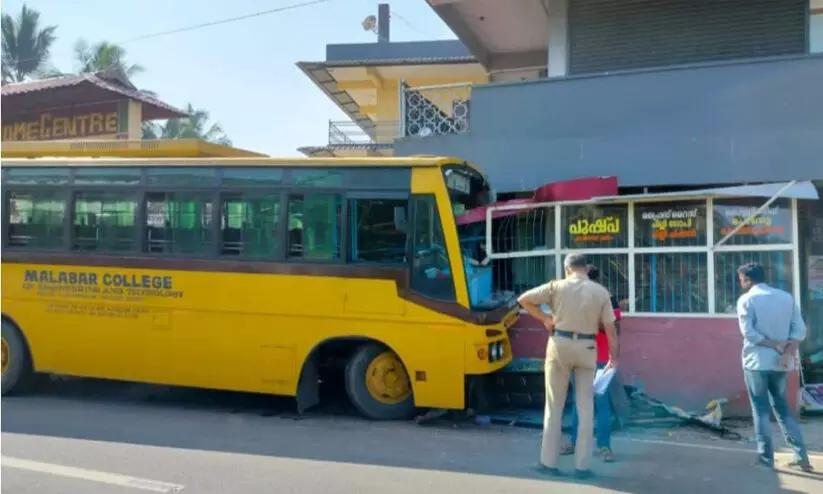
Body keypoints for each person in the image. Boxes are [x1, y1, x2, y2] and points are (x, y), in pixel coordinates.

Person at [518, 253, 619, 479]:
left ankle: (549, 463)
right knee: (586, 407)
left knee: (554, 406)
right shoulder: (600, 292)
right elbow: (611, 331)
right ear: (585, 268)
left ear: (567, 268)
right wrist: (614, 359)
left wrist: (545, 319)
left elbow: (523, 299)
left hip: (560, 345)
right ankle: (582, 467)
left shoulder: (556, 287)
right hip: (587, 349)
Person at [736, 262, 813, 472]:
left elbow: (749, 333)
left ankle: (765, 459)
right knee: (782, 408)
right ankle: (801, 456)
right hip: (781, 363)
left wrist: (773, 344)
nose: (741, 282)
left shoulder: (747, 299)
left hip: (756, 362)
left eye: (741, 278)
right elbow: (800, 331)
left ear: (749, 280)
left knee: (760, 410)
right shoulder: (786, 298)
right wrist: (786, 351)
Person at [561, 264, 621, 463]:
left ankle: (604, 446)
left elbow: (615, 328)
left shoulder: (607, 298)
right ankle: (576, 441)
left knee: (601, 404)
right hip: (578, 356)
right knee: (579, 402)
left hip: (601, 358)